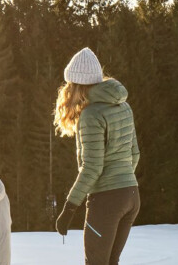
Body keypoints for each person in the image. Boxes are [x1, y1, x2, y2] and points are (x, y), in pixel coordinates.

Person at [52, 47, 139, 265]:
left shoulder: (91, 114)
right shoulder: (123, 106)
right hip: (131, 195)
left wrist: (69, 208)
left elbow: (92, 167)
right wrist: (122, 181)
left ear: (75, 86)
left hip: (107, 200)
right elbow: (134, 153)